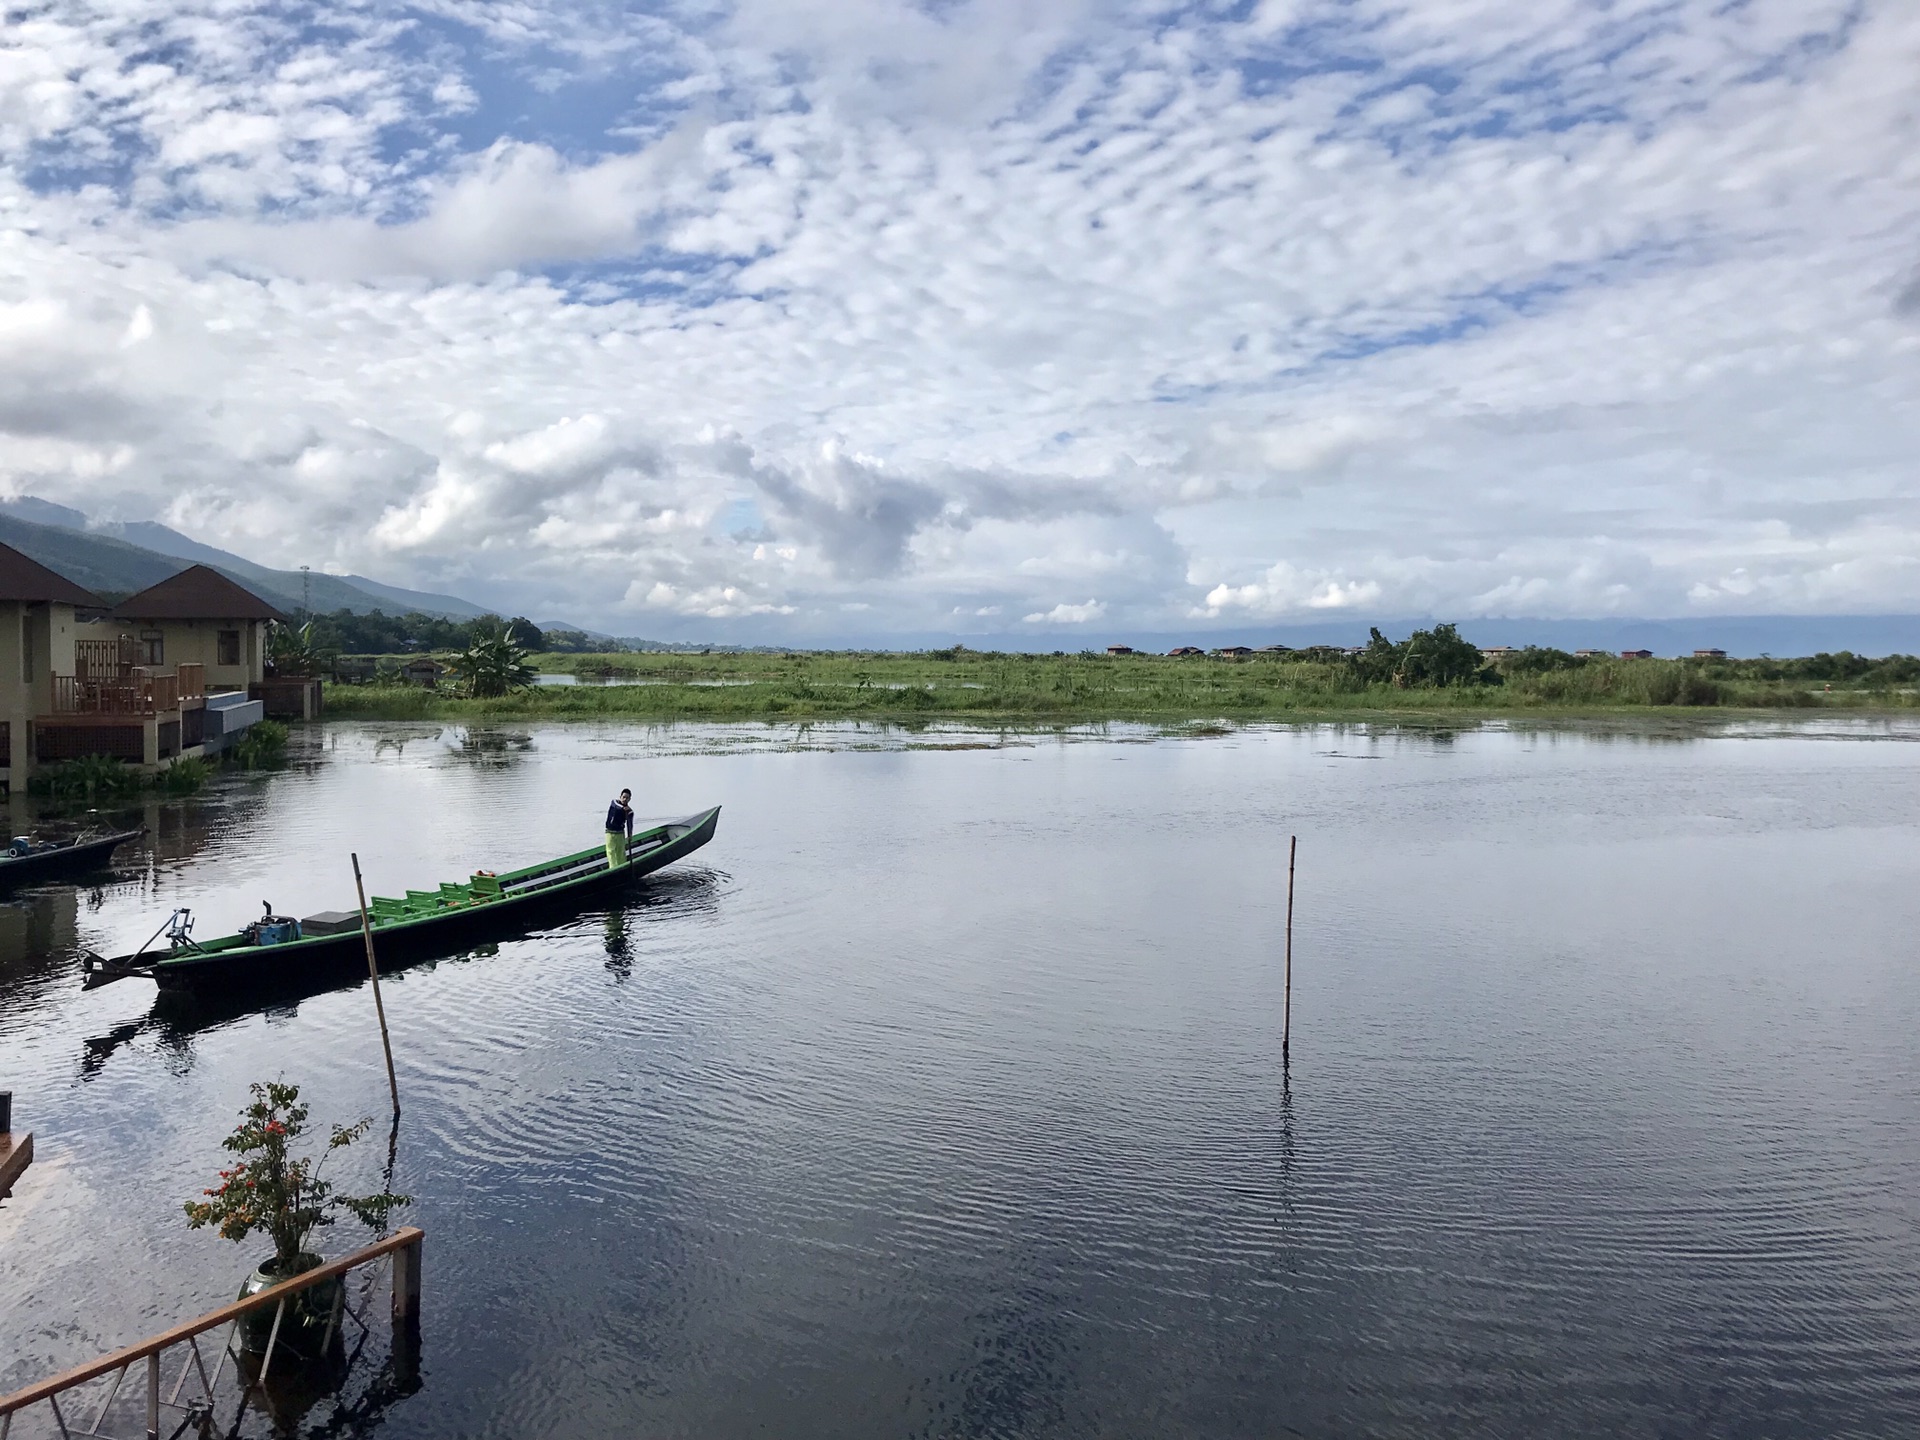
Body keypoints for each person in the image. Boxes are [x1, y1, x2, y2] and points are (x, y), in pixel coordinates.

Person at [604, 788, 634, 869]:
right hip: (609, 832)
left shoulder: (629, 811)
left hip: (620, 833)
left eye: (627, 798)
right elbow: (617, 807)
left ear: (629, 799)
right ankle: (613, 869)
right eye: (623, 797)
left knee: (620, 852)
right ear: (620, 796)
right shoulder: (614, 802)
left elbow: (629, 824)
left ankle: (622, 867)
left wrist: (630, 834)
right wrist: (622, 809)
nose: (625, 799)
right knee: (611, 852)